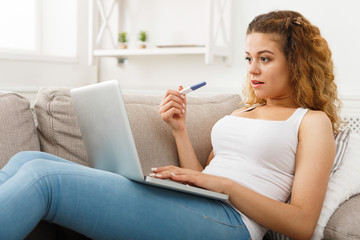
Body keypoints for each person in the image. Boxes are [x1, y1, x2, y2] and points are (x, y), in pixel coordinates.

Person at [0, 10, 342, 240]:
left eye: (265, 59)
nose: (252, 69)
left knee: (43, 179)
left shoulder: (311, 122)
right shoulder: (242, 112)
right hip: (200, 204)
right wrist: (179, 128)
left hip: (232, 224)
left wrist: (226, 186)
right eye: (249, 58)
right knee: (26, 161)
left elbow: (301, 224)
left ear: (296, 63)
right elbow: (201, 178)